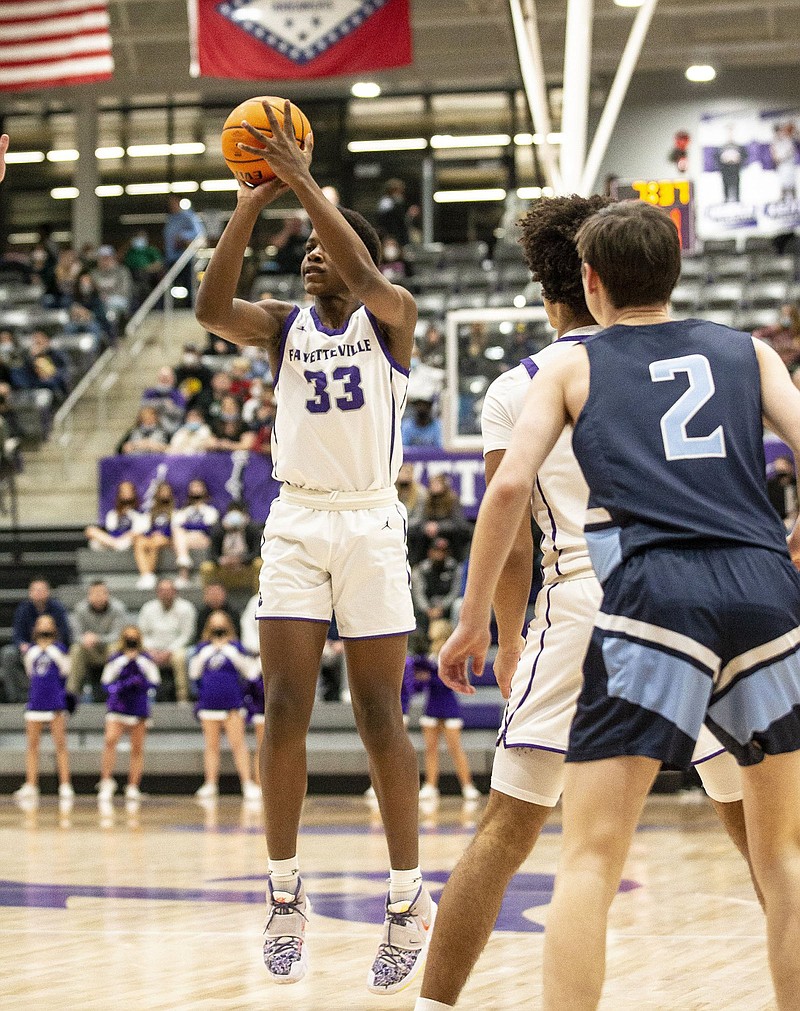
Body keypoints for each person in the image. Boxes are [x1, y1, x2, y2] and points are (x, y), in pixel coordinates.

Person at [436, 200, 800, 1011]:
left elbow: (505, 491)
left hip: (645, 591)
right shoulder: (747, 350)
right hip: (763, 584)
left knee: (590, 855)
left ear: (589, 283)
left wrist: (472, 621)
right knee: (783, 856)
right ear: (677, 272)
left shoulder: (570, 367)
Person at [195, 100, 433, 993]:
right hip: (297, 519)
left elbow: (367, 273)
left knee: (379, 715)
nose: (308, 257)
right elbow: (210, 307)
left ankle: (408, 898)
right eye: (301, 251)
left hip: (371, 521)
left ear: (352, 256)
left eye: (319, 248)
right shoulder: (282, 328)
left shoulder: (390, 315)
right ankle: (284, 893)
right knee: (285, 700)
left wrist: (302, 180)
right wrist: (255, 198)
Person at [189, 610, 262, 801]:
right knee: (211, 746)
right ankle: (210, 784)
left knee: (238, 744)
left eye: (221, 626)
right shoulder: (202, 648)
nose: (218, 629)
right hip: (209, 703)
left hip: (232, 703)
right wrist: (211, 650)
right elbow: (194, 673)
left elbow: (249, 672)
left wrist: (227, 649)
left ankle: (247, 784)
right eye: (215, 626)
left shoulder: (236, 647)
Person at [12, 614, 74, 804]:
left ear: (54, 628)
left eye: (48, 623)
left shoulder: (60, 649)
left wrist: (53, 652)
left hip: (54, 700)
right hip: (36, 701)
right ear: (36, 628)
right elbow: (30, 672)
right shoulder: (31, 651)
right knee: (32, 745)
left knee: (60, 744)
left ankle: (65, 785)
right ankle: (31, 784)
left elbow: (66, 670)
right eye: (41, 623)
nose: (44, 627)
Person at [97, 625, 161, 802]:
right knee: (110, 741)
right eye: (128, 638)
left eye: (134, 638)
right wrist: (119, 687)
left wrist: (140, 683)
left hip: (138, 707)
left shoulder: (145, 659)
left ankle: (133, 785)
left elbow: (155, 681)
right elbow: (105, 682)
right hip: (118, 706)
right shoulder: (116, 659)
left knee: (137, 747)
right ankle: (106, 781)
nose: (131, 641)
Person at [410, 644, 480, 803]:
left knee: (455, 748)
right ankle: (430, 786)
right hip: (432, 707)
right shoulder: (428, 659)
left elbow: (451, 682)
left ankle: (467, 786)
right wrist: (422, 677)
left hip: (449, 707)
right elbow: (419, 686)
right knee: (430, 749)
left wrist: (431, 675)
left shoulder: (452, 656)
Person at [0, 579, 72, 703]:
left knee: (64, 655)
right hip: (29, 649)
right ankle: (16, 697)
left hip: (54, 649)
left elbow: (65, 634)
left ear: (48, 592)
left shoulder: (58, 608)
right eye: (35, 590)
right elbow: (17, 635)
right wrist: (23, 644)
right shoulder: (23, 609)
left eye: (41, 590)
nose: (38, 593)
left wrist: (50, 646)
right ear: (30, 592)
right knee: (8, 654)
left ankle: (61, 695)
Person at [137, 578, 196, 702]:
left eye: (169, 590)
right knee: (136, 656)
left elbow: (187, 635)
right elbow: (141, 634)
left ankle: (183, 696)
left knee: (180, 658)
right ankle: (143, 697)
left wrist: (169, 651)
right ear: (157, 592)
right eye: (162, 590)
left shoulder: (186, 608)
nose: (165, 593)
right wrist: (152, 650)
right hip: (152, 649)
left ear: (175, 592)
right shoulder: (148, 608)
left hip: (176, 649)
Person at [68, 580, 128, 701]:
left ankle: (114, 692)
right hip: (89, 650)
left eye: (102, 593)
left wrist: (97, 638)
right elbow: (74, 635)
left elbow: (119, 635)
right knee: (76, 649)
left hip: (108, 650)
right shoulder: (80, 609)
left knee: (115, 647)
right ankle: (72, 694)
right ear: (88, 595)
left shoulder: (118, 608)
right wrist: (85, 639)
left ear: (108, 594)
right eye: (95, 593)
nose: (98, 597)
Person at [198, 500, 262, 592]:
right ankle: (210, 598)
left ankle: (258, 596)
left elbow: (257, 552)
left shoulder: (252, 530)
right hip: (224, 567)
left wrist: (242, 560)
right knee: (206, 567)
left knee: (259, 563)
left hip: (246, 566)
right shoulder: (218, 530)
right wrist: (222, 561)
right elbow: (211, 554)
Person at [171, 477, 219, 587]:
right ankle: (183, 562)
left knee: (186, 535)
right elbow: (176, 525)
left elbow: (208, 527)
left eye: (198, 486)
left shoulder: (210, 510)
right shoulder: (184, 510)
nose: (196, 489)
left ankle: (183, 570)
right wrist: (190, 527)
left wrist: (188, 526)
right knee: (179, 533)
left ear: (204, 490)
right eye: (193, 487)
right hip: (187, 539)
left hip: (204, 539)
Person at [132, 480, 177, 589]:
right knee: (139, 541)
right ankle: (146, 575)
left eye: (167, 491)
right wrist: (150, 534)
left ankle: (149, 574)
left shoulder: (175, 511)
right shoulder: (152, 512)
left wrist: (162, 534)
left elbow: (176, 528)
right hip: (155, 538)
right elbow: (149, 529)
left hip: (169, 539)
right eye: (162, 491)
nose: (164, 494)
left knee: (156, 541)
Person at [164, 195, 204, 303]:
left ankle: (190, 305)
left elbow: (199, 235)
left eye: (174, 202)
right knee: (169, 285)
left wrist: (183, 237)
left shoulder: (189, 217)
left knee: (189, 284)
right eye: (170, 203)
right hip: (171, 258)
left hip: (186, 259)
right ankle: (172, 305)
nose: (172, 205)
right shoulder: (170, 220)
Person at [85, 480, 143, 552]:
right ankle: (115, 545)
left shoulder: (140, 512)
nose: (126, 493)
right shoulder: (113, 513)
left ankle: (116, 545)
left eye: (128, 490)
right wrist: (115, 541)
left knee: (136, 537)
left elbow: (138, 531)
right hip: (114, 540)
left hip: (128, 540)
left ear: (134, 492)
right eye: (123, 490)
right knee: (90, 530)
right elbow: (111, 529)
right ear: (119, 493)